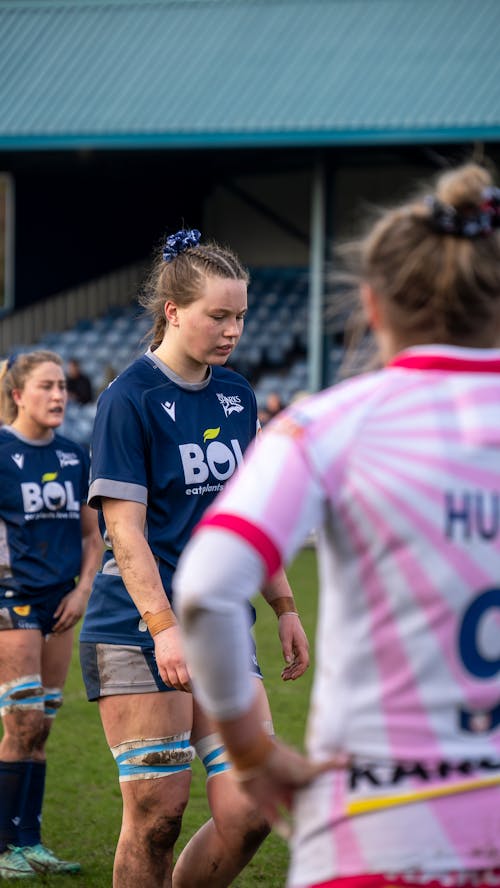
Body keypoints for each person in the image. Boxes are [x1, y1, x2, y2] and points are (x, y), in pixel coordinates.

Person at [174, 163, 500, 888]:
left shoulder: (331, 423)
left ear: (373, 307)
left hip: (377, 828)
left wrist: (253, 754)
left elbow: (204, 588)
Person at [79, 228, 309, 888]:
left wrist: (285, 606)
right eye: (219, 315)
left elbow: (248, 519)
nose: (233, 329)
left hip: (222, 624)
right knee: (156, 816)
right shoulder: (130, 398)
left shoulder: (237, 397)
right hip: (137, 625)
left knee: (252, 809)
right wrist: (164, 629)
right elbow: (125, 532)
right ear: (174, 311)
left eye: (240, 315)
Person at [0, 350, 102, 880]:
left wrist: (84, 589)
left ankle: (30, 842)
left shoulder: (73, 455)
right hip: (10, 599)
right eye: (46, 386)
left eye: (62, 386)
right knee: (22, 720)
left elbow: (93, 535)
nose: (59, 395)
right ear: (18, 395)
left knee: (42, 729)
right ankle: (2, 846)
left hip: (62, 602)